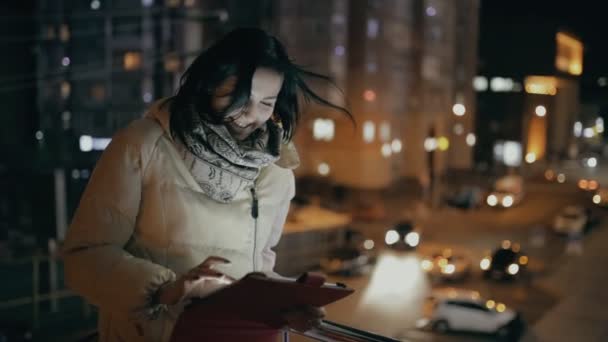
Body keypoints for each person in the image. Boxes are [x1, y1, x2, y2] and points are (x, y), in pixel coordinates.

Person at [62, 27, 351, 342]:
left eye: (266, 103)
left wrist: (289, 306)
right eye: (239, 97)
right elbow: (84, 257)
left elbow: (257, 270)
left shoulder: (276, 172)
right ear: (209, 84)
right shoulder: (143, 145)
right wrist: (167, 289)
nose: (251, 116)